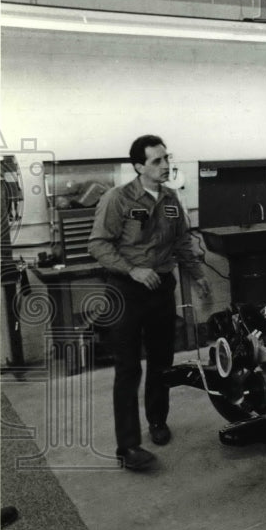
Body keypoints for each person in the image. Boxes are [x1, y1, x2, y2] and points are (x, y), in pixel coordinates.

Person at [88, 135, 210, 471]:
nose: (165, 165)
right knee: (128, 367)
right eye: (156, 161)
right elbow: (98, 244)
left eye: (166, 158)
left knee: (162, 361)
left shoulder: (171, 200)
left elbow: (183, 243)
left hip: (160, 289)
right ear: (139, 166)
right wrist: (133, 270)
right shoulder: (118, 198)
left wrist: (198, 276)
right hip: (126, 289)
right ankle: (127, 447)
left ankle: (158, 421)